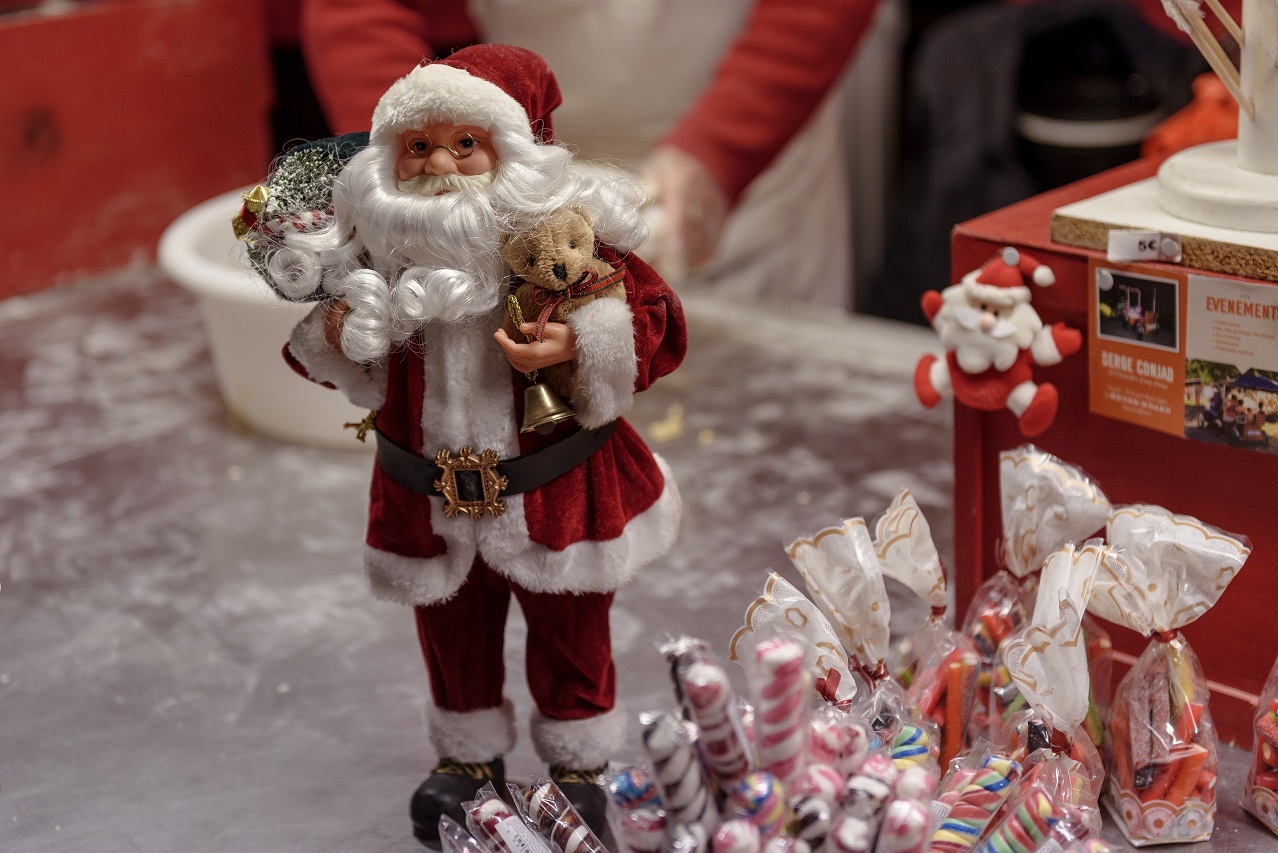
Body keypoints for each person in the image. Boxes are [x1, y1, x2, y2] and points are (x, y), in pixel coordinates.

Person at [270, 45, 686, 846]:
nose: (439, 165)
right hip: (425, 492)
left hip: (554, 487)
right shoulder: (374, 259)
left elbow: (658, 328)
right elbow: (317, 356)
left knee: (572, 627)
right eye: (418, 146)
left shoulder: (569, 245)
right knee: (451, 630)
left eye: (467, 143)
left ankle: (577, 768)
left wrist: (579, 342)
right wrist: (335, 332)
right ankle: (466, 760)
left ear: (514, 150)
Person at [298, 0, 884, 307]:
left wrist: (721, 151)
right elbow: (356, 9)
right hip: (516, 145)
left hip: (745, 179)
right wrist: (416, 149)